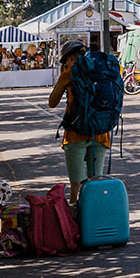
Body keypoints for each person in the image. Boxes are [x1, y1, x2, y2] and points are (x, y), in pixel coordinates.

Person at [48, 39, 114, 196]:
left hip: (75, 134)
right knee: (96, 181)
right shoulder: (101, 70)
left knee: (76, 184)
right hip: (101, 132)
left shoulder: (68, 74)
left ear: (70, 58)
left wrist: (65, 79)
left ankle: (74, 216)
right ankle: (94, 215)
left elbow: (52, 103)